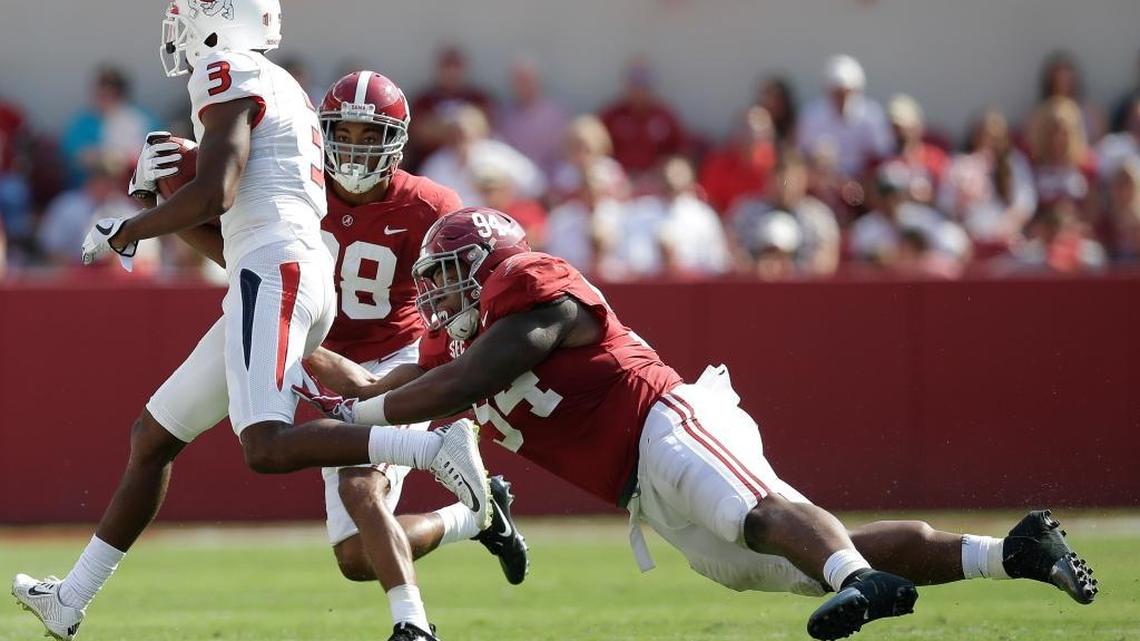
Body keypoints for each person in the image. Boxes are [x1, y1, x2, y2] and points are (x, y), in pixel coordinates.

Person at [299, 207, 1098, 641]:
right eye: (431, 282)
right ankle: (1009, 551)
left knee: (753, 510)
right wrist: (294, 358)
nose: (437, 298)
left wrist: (357, 414)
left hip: (664, 418)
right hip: (637, 487)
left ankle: (860, 582)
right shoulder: (451, 337)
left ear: (489, 266)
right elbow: (395, 382)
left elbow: (468, 379)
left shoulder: (532, 290)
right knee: (781, 561)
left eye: (448, 278)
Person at [12, 6, 490, 641]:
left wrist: (129, 228)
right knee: (153, 437)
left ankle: (429, 449)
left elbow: (219, 192)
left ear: (215, 20)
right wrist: (172, 196)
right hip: (276, 268)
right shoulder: (273, 80)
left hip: (278, 269)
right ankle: (70, 599)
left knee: (264, 444)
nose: (175, 27)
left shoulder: (226, 68)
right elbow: (242, 204)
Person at [311, 70, 530, 636]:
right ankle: (474, 516)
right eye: (345, 133)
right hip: (318, 360)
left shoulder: (429, 203)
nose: (355, 149)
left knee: (361, 487)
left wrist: (428, 367)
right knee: (356, 558)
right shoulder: (298, 190)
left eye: (369, 135)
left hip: (393, 358)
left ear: (397, 140)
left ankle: (414, 627)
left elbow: (467, 290)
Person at [797, 55, 893, 179]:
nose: (842, 98)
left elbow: (883, 154)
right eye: (837, 93)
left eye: (847, 92)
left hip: (864, 182)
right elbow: (801, 154)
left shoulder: (872, 115)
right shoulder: (812, 115)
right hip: (824, 181)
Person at [598, 57, 687, 182]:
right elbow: (597, 151)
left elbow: (680, 154)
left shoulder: (665, 117)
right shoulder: (612, 115)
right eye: (635, 83)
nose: (639, 90)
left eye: (643, 83)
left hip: (656, 184)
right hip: (617, 182)